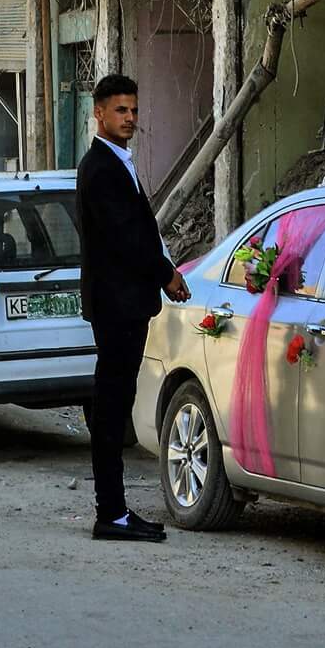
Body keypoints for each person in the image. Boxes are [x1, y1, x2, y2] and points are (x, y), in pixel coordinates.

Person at [75, 73, 188, 543]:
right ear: (98, 112)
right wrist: (166, 273)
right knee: (112, 406)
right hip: (117, 303)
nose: (130, 119)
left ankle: (116, 511)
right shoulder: (100, 166)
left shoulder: (117, 162)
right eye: (120, 111)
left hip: (124, 302)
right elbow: (127, 237)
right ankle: (112, 513)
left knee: (116, 403)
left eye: (134, 111)